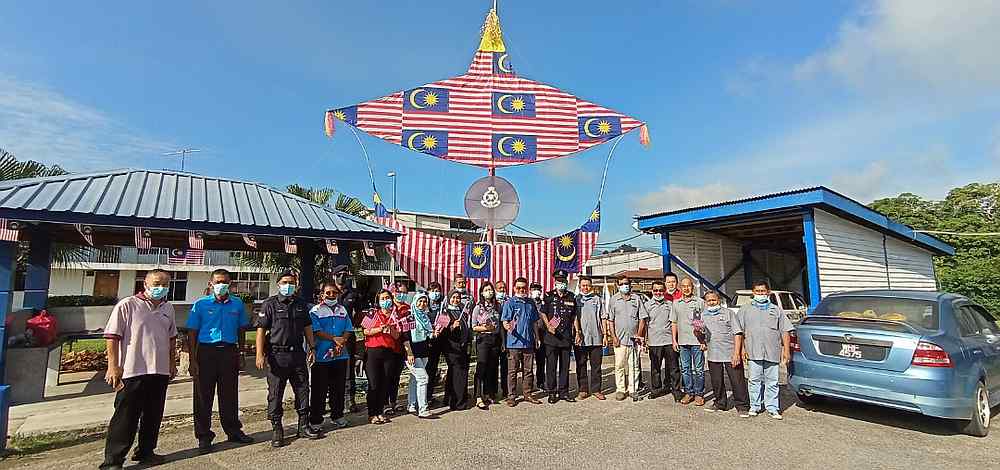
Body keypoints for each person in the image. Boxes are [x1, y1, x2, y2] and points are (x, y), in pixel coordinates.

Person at [100, 269, 178, 469]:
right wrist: (113, 367)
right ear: (145, 284)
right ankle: (113, 461)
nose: (160, 288)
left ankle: (146, 452)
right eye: (156, 283)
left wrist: (171, 364)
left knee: (153, 415)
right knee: (126, 417)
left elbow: (172, 338)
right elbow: (112, 337)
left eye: (164, 284)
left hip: (159, 371)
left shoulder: (168, 308)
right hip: (132, 371)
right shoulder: (128, 305)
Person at [186, 269, 254, 454]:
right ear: (211, 284)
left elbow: (241, 329)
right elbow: (192, 333)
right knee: (203, 396)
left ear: (230, 284)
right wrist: (193, 359)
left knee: (229, 394)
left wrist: (241, 353)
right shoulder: (200, 304)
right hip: (206, 352)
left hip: (229, 352)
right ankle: (203, 436)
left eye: (225, 281)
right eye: (218, 281)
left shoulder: (237, 304)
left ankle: (233, 431)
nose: (221, 284)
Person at [256, 271, 323, 447]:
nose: (288, 285)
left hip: (297, 354)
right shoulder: (270, 304)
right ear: (278, 284)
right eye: (285, 282)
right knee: (276, 393)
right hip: (277, 355)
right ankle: (277, 428)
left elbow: (307, 327)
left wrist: (312, 347)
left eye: (291, 282)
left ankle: (303, 425)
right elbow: (261, 330)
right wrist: (259, 354)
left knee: (302, 389)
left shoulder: (300, 304)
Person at [734, 280, 792, 419]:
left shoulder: (776, 310)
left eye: (763, 291)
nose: (760, 294)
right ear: (753, 293)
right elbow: (739, 331)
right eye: (758, 292)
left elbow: (785, 330)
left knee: (772, 380)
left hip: (772, 351)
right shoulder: (745, 310)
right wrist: (741, 350)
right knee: (754, 380)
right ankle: (755, 406)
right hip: (753, 351)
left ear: (768, 292)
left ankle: (772, 407)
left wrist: (786, 351)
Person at [308, 282, 354, 430]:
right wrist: (334, 339)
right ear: (322, 294)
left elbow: (348, 328)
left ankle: (338, 416)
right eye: (328, 293)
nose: (332, 295)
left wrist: (342, 341)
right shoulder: (315, 311)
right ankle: (316, 420)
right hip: (321, 356)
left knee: (338, 388)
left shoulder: (343, 310)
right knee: (318, 390)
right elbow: (316, 331)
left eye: (334, 292)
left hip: (340, 356)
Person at [702, 291, 749, 415]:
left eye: (714, 300)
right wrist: (697, 331)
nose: (711, 302)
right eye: (709, 300)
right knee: (716, 381)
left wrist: (737, 353)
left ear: (719, 300)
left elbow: (738, 333)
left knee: (737, 380)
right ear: (705, 302)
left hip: (730, 353)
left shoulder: (729, 313)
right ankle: (720, 403)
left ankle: (742, 405)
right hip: (713, 354)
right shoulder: (703, 315)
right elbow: (701, 335)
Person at [361, 289, 402, 424]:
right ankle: (372, 413)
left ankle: (380, 411)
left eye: (387, 298)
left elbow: (397, 336)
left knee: (384, 384)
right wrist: (379, 329)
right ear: (378, 301)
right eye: (383, 299)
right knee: (374, 384)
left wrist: (390, 328)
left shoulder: (394, 316)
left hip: (389, 353)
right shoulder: (373, 314)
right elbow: (365, 331)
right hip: (373, 352)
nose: (386, 301)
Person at [606, 276, 647, 401]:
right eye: (622, 284)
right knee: (619, 365)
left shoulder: (637, 299)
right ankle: (621, 389)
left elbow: (642, 318)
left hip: (633, 341)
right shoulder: (614, 300)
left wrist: (639, 335)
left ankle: (633, 389)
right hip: (620, 340)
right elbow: (610, 320)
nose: (625, 285)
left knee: (634, 365)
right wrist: (613, 337)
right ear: (618, 285)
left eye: (627, 283)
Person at [502, 277, 542, 406]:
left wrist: (537, 338)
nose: (521, 290)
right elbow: (505, 320)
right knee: (512, 371)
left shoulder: (531, 303)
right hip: (514, 343)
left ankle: (527, 394)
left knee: (528, 370)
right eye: (518, 287)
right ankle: (511, 396)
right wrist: (507, 326)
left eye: (523, 288)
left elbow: (535, 322)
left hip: (528, 342)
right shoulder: (510, 303)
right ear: (514, 288)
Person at [540, 270, 578, 404]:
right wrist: (548, 326)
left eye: (563, 281)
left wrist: (577, 331)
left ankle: (564, 392)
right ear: (555, 282)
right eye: (559, 281)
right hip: (551, 337)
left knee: (565, 366)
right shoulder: (549, 296)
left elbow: (574, 316)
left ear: (566, 282)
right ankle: (552, 392)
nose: (561, 283)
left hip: (566, 337)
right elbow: (543, 313)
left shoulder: (571, 297)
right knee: (551, 366)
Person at [332, 265, 363, 413]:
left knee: (348, 367)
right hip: (329, 336)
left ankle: (349, 399)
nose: (342, 277)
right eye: (339, 274)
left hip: (348, 335)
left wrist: (353, 324)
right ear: (334, 276)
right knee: (329, 367)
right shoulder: (327, 292)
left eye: (345, 274)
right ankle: (330, 399)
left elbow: (359, 312)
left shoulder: (353, 294)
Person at [672, 277, 707, 406]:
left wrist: (704, 340)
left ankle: (699, 394)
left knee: (698, 369)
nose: (686, 288)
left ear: (693, 287)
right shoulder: (676, 303)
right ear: (680, 288)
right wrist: (674, 340)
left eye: (689, 286)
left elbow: (704, 322)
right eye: (683, 286)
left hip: (697, 342)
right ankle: (689, 392)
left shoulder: (700, 302)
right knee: (685, 369)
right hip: (682, 342)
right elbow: (674, 323)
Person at [644, 280, 679, 401]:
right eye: (655, 290)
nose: (658, 292)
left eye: (660, 290)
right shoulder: (647, 306)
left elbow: (675, 322)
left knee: (673, 367)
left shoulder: (670, 304)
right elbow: (645, 324)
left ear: (664, 291)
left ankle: (674, 389)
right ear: (652, 291)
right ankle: (656, 389)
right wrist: (644, 340)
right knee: (655, 368)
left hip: (669, 340)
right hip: (654, 341)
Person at [404, 292, 436, 418]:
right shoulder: (410, 317)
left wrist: (433, 333)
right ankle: (423, 409)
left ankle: (411, 405)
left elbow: (428, 334)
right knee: (423, 378)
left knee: (414, 379)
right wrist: (409, 353)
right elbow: (406, 336)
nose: (422, 304)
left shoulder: (425, 317)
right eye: (420, 301)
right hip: (413, 352)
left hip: (423, 351)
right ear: (415, 302)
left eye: (424, 302)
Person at [574, 276, 606, 400]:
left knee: (596, 366)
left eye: (588, 285)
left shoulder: (597, 299)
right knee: (581, 365)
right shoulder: (576, 300)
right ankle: (583, 389)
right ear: (579, 286)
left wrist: (605, 335)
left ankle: (596, 389)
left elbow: (603, 317)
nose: (585, 288)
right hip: (581, 339)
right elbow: (573, 318)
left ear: (591, 286)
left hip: (596, 338)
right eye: (583, 285)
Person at [472, 282, 502, 409]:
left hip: (495, 339)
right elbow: (473, 326)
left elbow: (500, 322)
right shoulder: (478, 307)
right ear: (482, 293)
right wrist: (484, 328)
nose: (489, 292)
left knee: (492, 367)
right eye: (486, 290)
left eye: (490, 290)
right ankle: (478, 396)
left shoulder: (497, 306)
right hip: (483, 339)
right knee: (482, 367)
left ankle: (489, 393)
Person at [442, 289, 472, 410]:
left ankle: (449, 398)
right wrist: (451, 327)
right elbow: (441, 331)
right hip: (452, 348)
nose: (455, 300)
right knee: (458, 374)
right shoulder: (445, 313)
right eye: (453, 298)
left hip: (462, 346)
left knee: (455, 373)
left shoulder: (462, 312)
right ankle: (458, 402)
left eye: (458, 298)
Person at [385, 290, 412, 415]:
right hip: (385, 349)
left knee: (395, 377)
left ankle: (393, 401)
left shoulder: (403, 313)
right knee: (386, 377)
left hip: (399, 349)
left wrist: (408, 350)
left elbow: (406, 333)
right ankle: (385, 403)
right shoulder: (379, 313)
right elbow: (366, 330)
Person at [424, 281, 447, 406]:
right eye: (433, 291)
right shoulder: (424, 304)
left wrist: (439, 329)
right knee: (427, 369)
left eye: (437, 291)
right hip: (427, 341)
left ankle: (429, 396)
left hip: (439, 339)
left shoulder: (443, 304)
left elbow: (445, 318)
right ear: (428, 292)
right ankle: (423, 397)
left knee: (433, 369)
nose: (435, 293)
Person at [494, 280, 510, 399]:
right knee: (493, 365)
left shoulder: (510, 300)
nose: (502, 290)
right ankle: (493, 391)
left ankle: (506, 390)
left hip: (507, 336)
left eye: (503, 288)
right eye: (500, 288)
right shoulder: (492, 302)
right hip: (494, 337)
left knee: (506, 365)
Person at [529, 281, 546, 392]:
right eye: (534, 289)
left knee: (541, 361)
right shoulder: (527, 302)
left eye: (538, 289)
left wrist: (550, 329)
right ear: (530, 291)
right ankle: (528, 385)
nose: (536, 291)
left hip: (543, 334)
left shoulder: (544, 303)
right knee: (528, 362)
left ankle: (541, 382)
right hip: (529, 334)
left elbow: (552, 317)